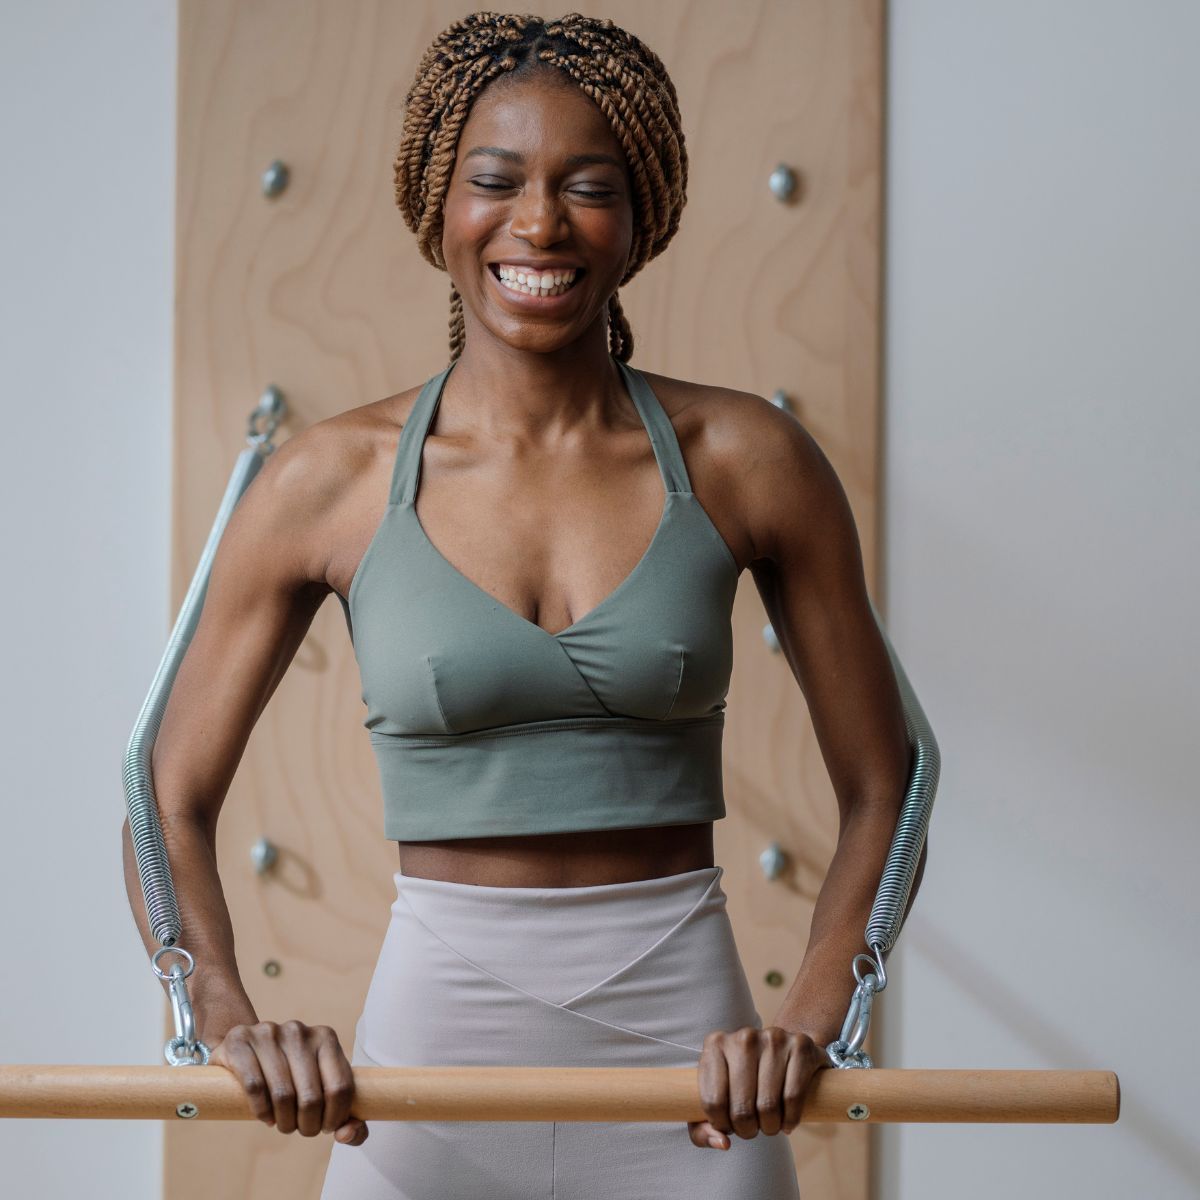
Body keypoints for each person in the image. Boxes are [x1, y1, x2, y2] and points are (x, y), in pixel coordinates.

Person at [122, 12, 916, 1199]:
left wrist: (810, 1017)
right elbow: (163, 791)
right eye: (495, 181)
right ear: (437, 206)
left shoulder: (749, 459)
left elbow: (887, 781)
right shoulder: (328, 481)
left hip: (695, 1088)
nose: (538, 225)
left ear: (641, 216)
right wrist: (227, 1018)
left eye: (588, 188)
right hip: (423, 1089)